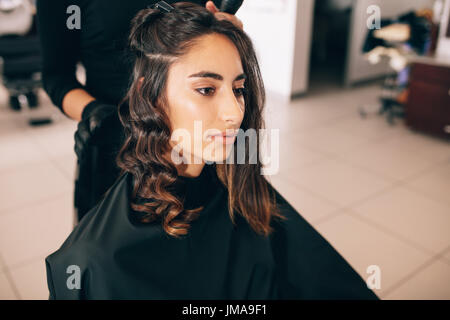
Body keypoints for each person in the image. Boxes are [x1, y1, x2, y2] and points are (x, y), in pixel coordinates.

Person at [45, 2, 379, 300]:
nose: (235, 112)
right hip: (112, 141)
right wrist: (95, 115)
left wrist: (222, 42)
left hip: (198, 159)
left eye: (239, 89)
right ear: (148, 94)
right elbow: (57, 76)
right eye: (206, 89)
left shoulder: (240, 196)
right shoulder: (97, 259)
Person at [36, 0, 242, 222]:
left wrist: (227, 34)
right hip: (116, 143)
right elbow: (57, 76)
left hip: (199, 145)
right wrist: (94, 113)